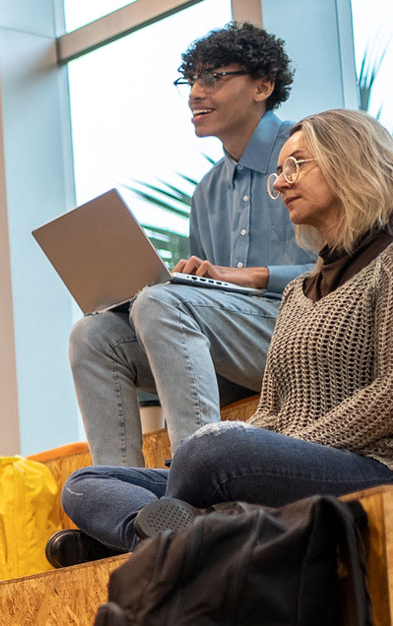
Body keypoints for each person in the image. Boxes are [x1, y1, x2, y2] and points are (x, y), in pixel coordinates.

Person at [52, 109, 393, 562]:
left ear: (348, 162)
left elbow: (388, 395)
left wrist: (288, 445)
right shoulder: (296, 292)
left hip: (369, 466)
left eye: (297, 165)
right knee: (84, 484)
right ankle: (164, 535)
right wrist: (263, 444)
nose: (280, 183)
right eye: (279, 171)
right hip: (286, 462)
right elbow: (272, 410)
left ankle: (143, 535)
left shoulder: (387, 264)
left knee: (209, 449)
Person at [67, 22, 314, 469]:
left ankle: (198, 481)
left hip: (306, 331)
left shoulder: (312, 151)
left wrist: (250, 276)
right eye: (192, 80)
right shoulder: (207, 193)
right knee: (94, 334)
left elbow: (356, 265)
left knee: (162, 304)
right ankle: (121, 489)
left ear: (263, 85)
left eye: (214, 78)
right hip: (235, 348)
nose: (195, 93)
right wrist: (193, 283)